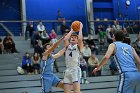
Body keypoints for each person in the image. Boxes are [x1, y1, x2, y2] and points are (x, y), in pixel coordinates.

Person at [63, 22, 83, 93]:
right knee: (66, 92)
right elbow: (65, 39)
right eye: (72, 37)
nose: (73, 38)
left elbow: (80, 39)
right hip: (67, 70)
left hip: (75, 70)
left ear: (77, 40)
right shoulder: (67, 46)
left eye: (75, 37)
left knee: (76, 91)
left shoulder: (78, 46)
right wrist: (72, 30)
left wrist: (80, 29)